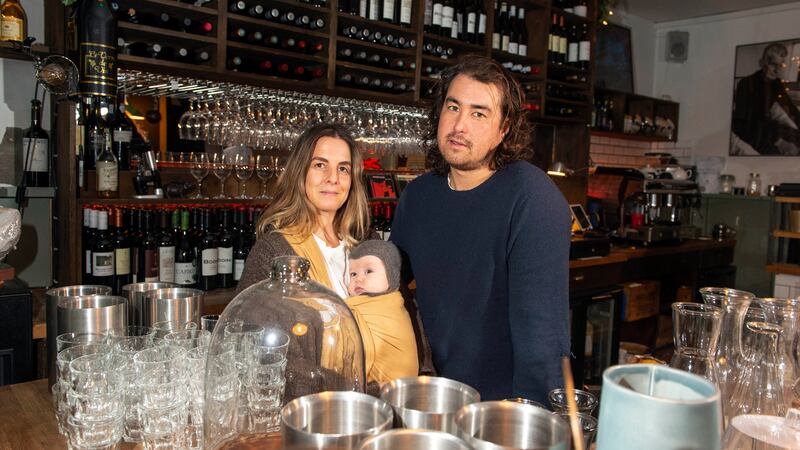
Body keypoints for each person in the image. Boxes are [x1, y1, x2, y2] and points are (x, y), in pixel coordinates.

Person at [390, 56, 571, 404]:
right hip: (434, 398)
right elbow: (393, 275)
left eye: (479, 113)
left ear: (504, 129)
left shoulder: (532, 198)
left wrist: (528, 426)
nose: (460, 125)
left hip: (501, 410)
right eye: (453, 107)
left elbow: (543, 339)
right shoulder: (419, 194)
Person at [237, 123, 370, 297]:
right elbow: (244, 321)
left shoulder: (367, 243)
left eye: (343, 169)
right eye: (320, 165)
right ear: (300, 172)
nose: (333, 178)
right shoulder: (273, 251)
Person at [345, 240, 419, 385]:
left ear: (391, 275)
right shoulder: (363, 302)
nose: (359, 279)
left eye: (369, 271)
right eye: (353, 274)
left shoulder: (390, 305)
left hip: (390, 382)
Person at [731, 42, 800, 156]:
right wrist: (780, 141)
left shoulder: (777, 83)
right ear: (764, 62)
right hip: (751, 130)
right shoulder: (747, 83)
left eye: (781, 65)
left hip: (769, 126)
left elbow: (789, 107)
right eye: (774, 65)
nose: (778, 70)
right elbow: (747, 121)